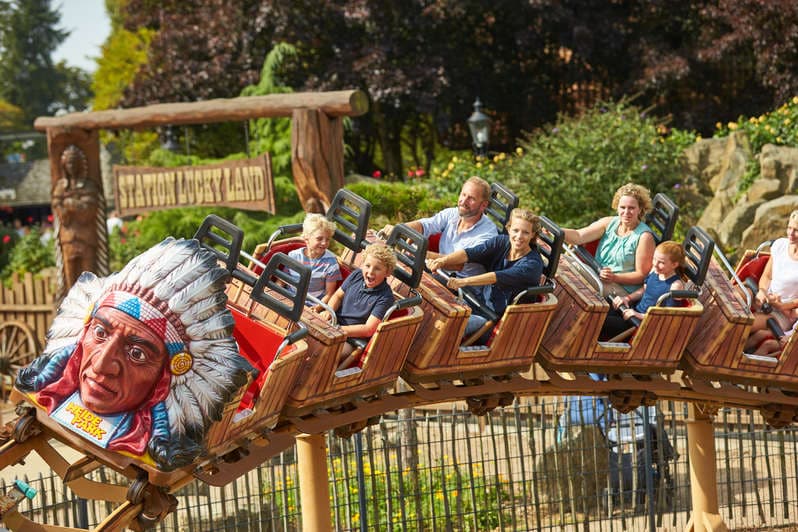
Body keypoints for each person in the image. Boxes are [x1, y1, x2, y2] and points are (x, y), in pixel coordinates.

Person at [16, 237, 254, 471]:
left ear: (164, 380)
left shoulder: (158, 424)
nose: (100, 365)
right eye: (100, 333)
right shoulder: (54, 382)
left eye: (137, 354)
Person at [428, 208, 543, 343]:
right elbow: (470, 253)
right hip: (476, 300)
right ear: (509, 229)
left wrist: (463, 282)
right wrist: (442, 261)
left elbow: (496, 277)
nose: (519, 236)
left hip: (493, 319)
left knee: (448, 325)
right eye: (516, 230)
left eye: (525, 232)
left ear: (533, 235)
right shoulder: (501, 242)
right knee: (433, 288)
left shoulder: (532, 264)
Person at [381, 176, 497, 281]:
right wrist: (399, 229)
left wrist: (420, 254)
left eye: (471, 198)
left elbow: (457, 265)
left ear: (483, 205)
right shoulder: (452, 214)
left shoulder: (487, 235)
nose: (464, 201)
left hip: (461, 286)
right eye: (463, 194)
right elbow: (425, 225)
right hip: (438, 271)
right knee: (387, 263)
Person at [561, 183, 655, 294]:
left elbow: (642, 275)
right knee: (559, 260)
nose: (626, 212)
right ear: (617, 208)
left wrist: (614, 277)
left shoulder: (644, 237)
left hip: (620, 287)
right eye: (623, 207)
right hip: (596, 272)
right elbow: (578, 236)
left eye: (631, 208)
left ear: (640, 209)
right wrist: (557, 231)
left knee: (573, 269)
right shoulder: (609, 222)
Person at [318, 242, 397, 369]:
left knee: (323, 353)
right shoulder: (357, 275)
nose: (370, 272)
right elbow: (338, 296)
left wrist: (339, 329)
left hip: (350, 339)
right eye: (367, 266)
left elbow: (368, 329)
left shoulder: (385, 297)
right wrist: (329, 311)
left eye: (377, 268)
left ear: (387, 273)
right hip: (333, 323)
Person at [601, 240, 687, 340]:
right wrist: (627, 298)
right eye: (654, 259)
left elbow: (666, 316)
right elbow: (644, 290)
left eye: (661, 262)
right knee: (601, 309)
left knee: (601, 321)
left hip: (642, 324)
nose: (655, 264)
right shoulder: (655, 271)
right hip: (633, 312)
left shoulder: (675, 286)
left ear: (674, 265)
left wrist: (638, 315)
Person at [743, 210, 798, 354]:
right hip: (765, 299)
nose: (791, 233)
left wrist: (781, 305)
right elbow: (767, 276)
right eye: (789, 228)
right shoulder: (780, 245)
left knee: (746, 322)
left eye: (796, 230)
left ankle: (726, 353)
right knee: (738, 293)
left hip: (784, 313)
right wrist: (762, 291)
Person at [287, 213, 341, 304]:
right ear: (306, 238)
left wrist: (317, 307)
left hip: (312, 304)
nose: (324, 243)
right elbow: (281, 281)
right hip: (289, 297)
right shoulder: (293, 256)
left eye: (327, 239)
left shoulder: (331, 263)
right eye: (319, 239)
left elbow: (329, 293)